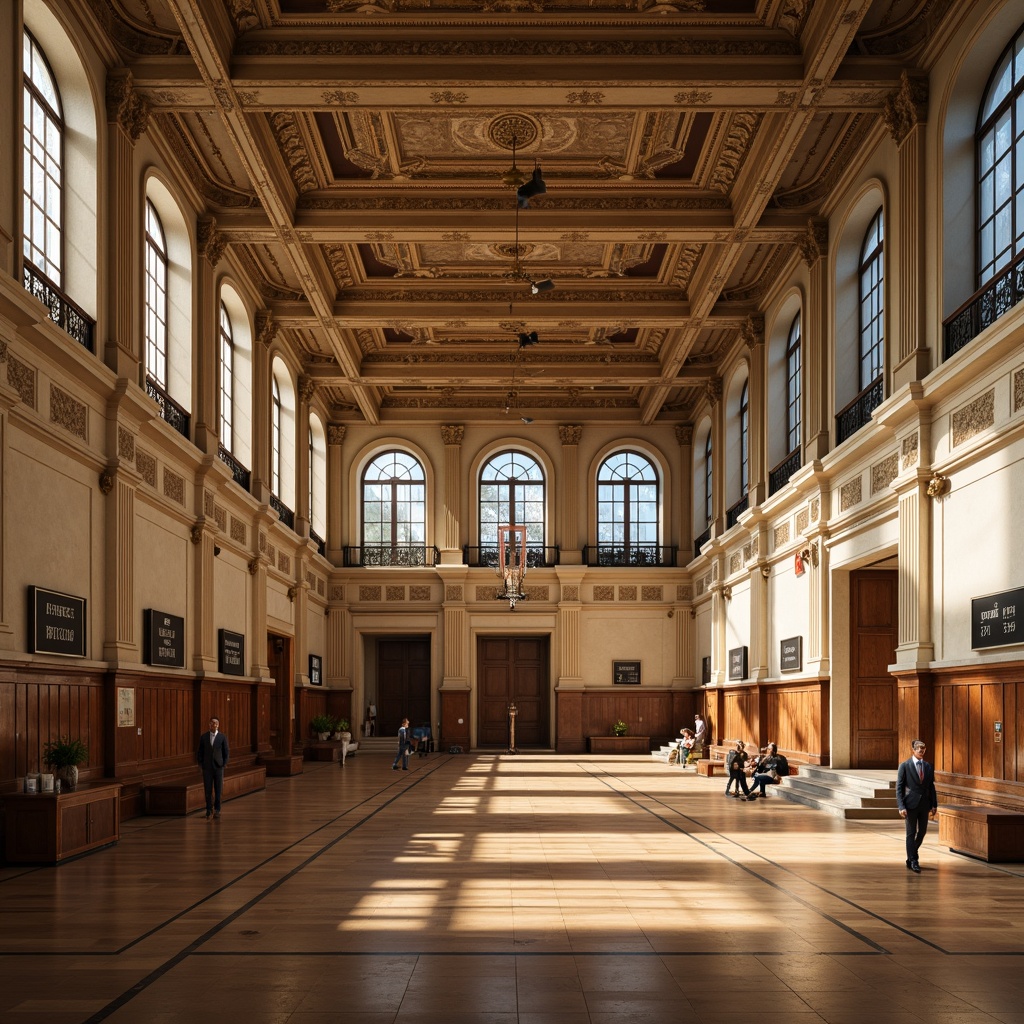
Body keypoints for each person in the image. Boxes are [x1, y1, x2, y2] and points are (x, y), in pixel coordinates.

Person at [896, 738, 938, 872]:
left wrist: (934, 804)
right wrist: (901, 806)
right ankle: (914, 860)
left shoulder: (928, 766)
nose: (921, 750)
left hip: (925, 804)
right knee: (911, 833)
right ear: (913, 750)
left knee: (923, 831)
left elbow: (931, 786)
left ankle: (910, 855)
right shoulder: (904, 766)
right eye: (919, 748)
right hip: (910, 805)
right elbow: (899, 787)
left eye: (923, 748)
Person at [196, 716, 229, 819]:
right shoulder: (204, 737)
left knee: (218, 789)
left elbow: (226, 752)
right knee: (208, 790)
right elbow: (200, 752)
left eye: (214, 723)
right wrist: (201, 764)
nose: (212, 725)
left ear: (218, 725)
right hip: (207, 768)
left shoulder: (222, 737)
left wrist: (223, 764)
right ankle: (208, 809)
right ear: (209, 725)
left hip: (218, 767)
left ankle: (217, 810)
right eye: (211, 723)